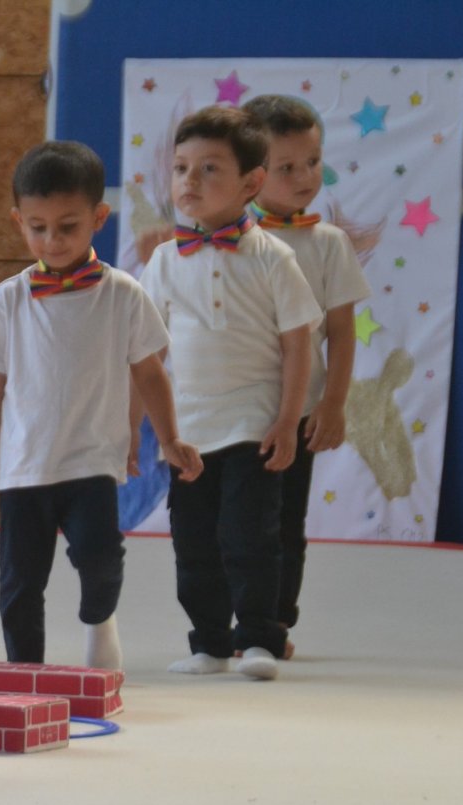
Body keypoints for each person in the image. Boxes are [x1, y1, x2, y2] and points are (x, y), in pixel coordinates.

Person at [0, 140, 203, 671]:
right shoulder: (8, 299)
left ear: (98, 218)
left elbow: (150, 372)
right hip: (25, 468)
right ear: (18, 221)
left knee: (101, 561)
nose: (52, 240)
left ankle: (99, 620)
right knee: (20, 581)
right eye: (38, 227)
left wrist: (168, 439)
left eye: (67, 227)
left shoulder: (123, 294)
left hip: (93, 462)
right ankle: (26, 674)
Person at [138, 105, 321, 680]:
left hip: (253, 424)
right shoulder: (164, 261)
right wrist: (140, 429)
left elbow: (298, 346)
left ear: (251, 182)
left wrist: (288, 420)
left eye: (209, 168)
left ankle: (260, 638)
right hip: (188, 432)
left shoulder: (275, 258)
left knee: (251, 536)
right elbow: (146, 355)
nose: (189, 181)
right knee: (193, 541)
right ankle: (210, 643)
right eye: (181, 168)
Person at [243, 94, 372, 658]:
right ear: (252, 173)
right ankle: (227, 616)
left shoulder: (329, 244)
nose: (305, 178)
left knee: (282, 520)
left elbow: (340, 332)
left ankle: (273, 622)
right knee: (228, 521)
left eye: (313, 162)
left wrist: (333, 404)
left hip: (295, 413)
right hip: (229, 409)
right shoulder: (222, 237)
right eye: (287, 167)